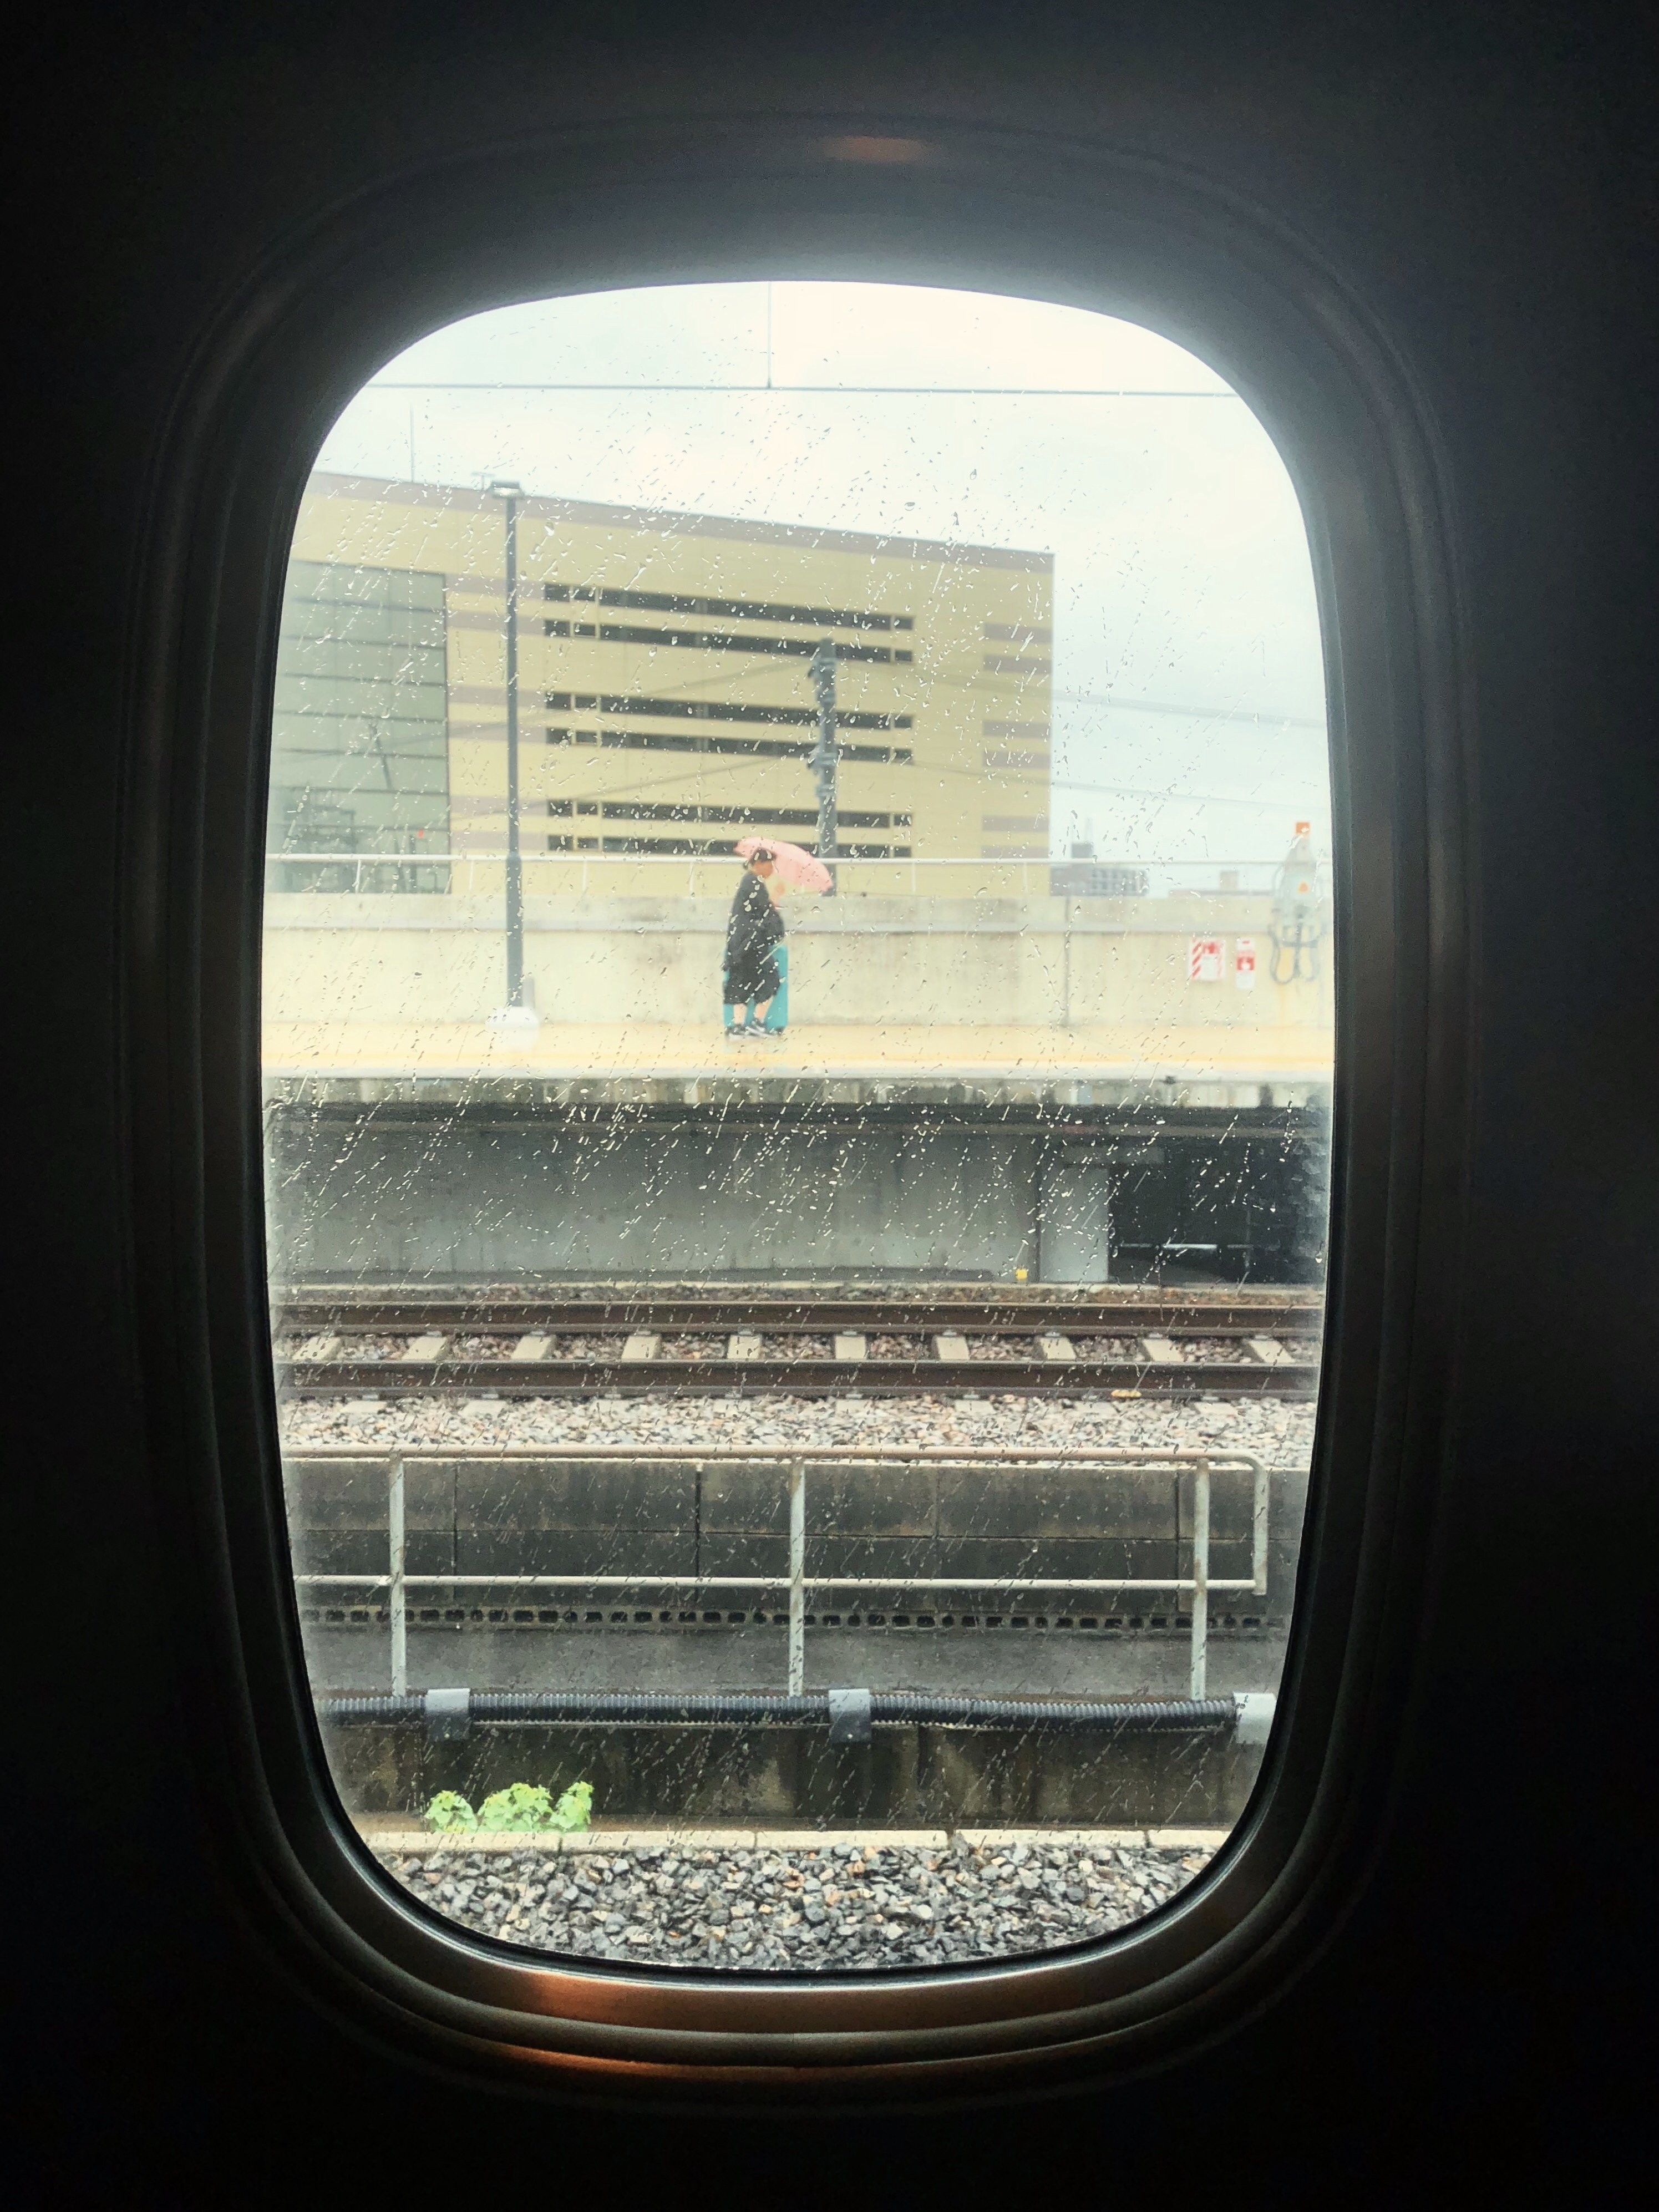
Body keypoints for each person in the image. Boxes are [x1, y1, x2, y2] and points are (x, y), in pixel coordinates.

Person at [722, 848, 786, 1038]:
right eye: (770, 865)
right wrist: (776, 897)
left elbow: (759, 911)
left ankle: (738, 1026)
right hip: (751, 944)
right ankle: (757, 1022)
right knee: (770, 978)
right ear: (758, 864)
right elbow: (765, 913)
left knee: (742, 981)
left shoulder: (750, 882)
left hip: (741, 944)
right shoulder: (754, 883)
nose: (772, 869)